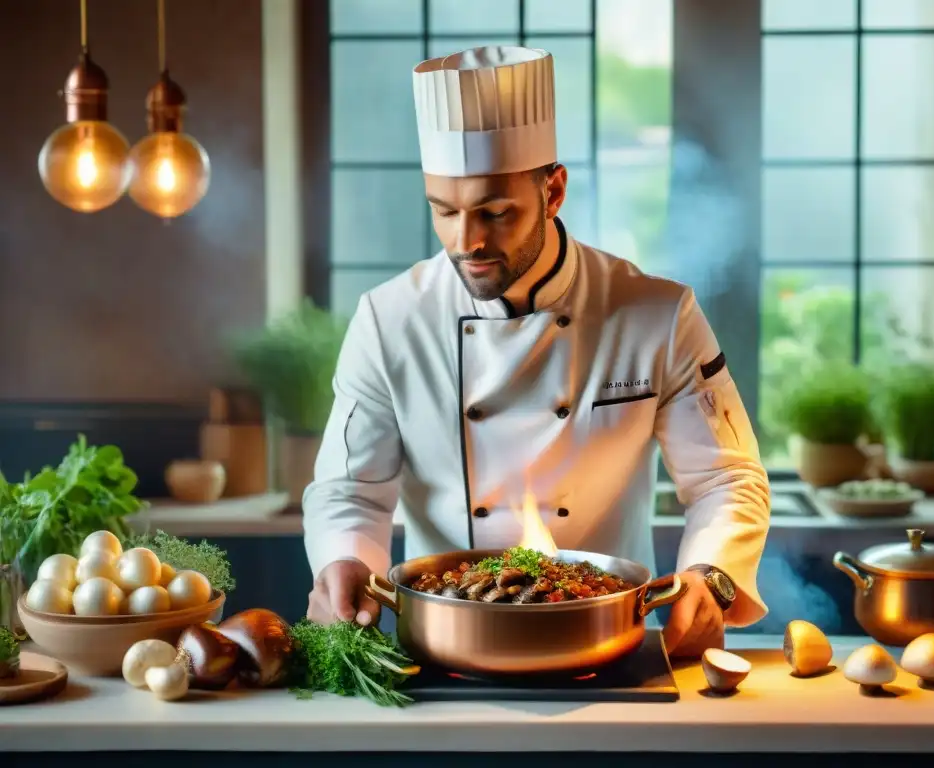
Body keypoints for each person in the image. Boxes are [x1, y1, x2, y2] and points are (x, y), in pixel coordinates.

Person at [303, 45, 771, 658]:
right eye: (444, 212)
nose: (466, 241)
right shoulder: (389, 320)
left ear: (553, 191)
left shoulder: (657, 314)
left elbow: (725, 477)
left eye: (495, 213)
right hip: (446, 645)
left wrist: (709, 576)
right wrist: (343, 561)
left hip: (605, 644)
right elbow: (351, 491)